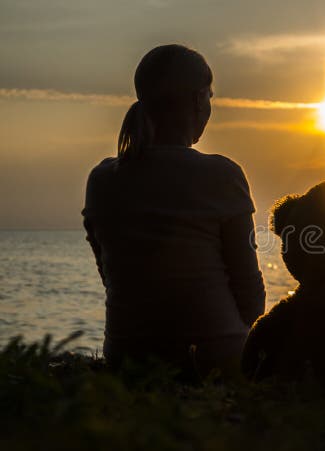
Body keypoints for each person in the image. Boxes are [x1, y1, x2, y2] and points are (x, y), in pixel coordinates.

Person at [81, 44, 265, 375]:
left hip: (128, 358)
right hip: (216, 359)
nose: (209, 106)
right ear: (197, 100)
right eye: (210, 96)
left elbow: (111, 278)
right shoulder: (222, 175)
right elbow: (250, 294)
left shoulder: (101, 180)